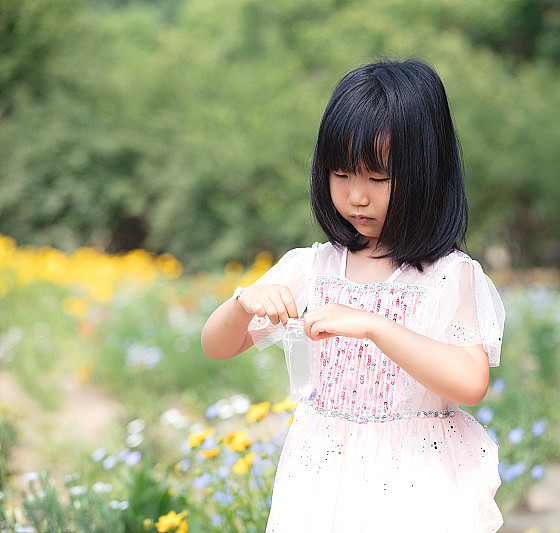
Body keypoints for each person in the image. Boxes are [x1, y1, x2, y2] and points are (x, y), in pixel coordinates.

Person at [201, 59, 505, 532]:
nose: (356, 197)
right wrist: (243, 302)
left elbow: (470, 381)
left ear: (428, 173)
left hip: (414, 480)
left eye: (377, 179)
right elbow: (215, 347)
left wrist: (374, 326)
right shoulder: (312, 267)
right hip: (322, 474)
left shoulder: (449, 276)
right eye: (341, 175)